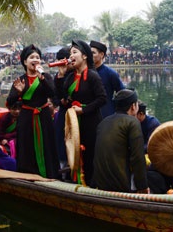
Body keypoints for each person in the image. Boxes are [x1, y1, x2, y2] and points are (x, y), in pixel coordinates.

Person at [55, 40, 107, 185]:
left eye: (74, 52)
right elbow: (63, 98)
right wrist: (60, 76)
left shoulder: (92, 75)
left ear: (84, 56)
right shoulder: (70, 76)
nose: (71, 56)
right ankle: (76, 181)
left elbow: (102, 99)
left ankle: (91, 184)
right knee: (74, 152)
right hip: (74, 122)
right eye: (70, 53)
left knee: (89, 154)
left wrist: (83, 110)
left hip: (90, 122)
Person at [6, 44, 59, 179]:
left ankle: (50, 173)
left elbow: (53, 94)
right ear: (25, 61)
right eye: (31, 57)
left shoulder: (45, 77)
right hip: (27, 116)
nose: (35, 60)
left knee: (47, 143)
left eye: (37, 57)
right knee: (26, 145)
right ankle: (28, 174)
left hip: (43, 115)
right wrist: (18, 92)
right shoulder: (20, 80)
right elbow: (10, 102)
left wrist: (42, 79)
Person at [92, 89, 149, 193]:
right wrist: (143, 187)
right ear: (133, 106)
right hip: (119, 186)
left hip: (99, 184)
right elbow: (137, 158)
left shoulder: (103, 122)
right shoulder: (132, 122)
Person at [50, 46, 73, 175]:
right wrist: (60, 102)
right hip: (64, 112)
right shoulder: (58, 76)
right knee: (60, 138)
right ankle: (62, 167)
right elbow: (55, 95)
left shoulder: (77, 74)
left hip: (76, 112)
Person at [89, 40, 125, 118]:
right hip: (88, 115)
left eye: (93, 53)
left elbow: (122, 93)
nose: (90, 55)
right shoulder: (85, 73)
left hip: (106, 115)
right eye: (89, 53)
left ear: (101, 55)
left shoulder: (110, 73)